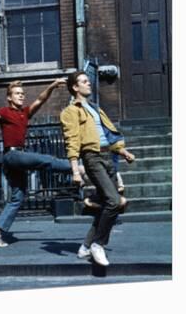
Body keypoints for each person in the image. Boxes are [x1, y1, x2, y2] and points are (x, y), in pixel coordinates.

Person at [0, 79, 74, 248]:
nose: (21, 96)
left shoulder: (25, 113)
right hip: (12, 155)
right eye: (17, 94)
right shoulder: (5, 112)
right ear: (9, 98)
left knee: (18, 196)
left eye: (22, 94)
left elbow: (41, 100)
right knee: (45, 160)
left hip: (17, 158)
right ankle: (76, 167)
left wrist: (52, 86)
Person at [60, 71, 126, 266]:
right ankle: (98, 244)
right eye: (84, 81)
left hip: (108, 157)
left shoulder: (95, 108)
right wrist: (74, 170)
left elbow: (107, 134)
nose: (89, 84)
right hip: (92, 158)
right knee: (114, 201)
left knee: (110, 204)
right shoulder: (70, 111)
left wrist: (123, 152)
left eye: (88, 81)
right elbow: (71, 141)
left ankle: (86, 246)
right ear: (75, 87)